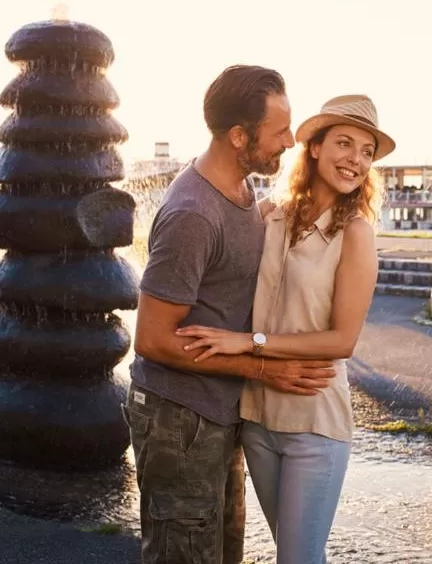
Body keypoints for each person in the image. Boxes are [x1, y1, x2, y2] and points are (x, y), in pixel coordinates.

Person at [125, 65, 338, 564]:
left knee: (222, 555)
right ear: (239, 136)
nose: (289, 141)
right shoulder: (193, 216)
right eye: (279, 131)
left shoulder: (243, 193)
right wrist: (262, 368)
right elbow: (153, 339)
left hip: (217, 413)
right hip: (178, 418)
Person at [177, 93, 395, 564]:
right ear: (314, 147)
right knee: (295, 555)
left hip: (314, 426)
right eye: (345, 144)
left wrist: (248, 343)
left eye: (366, 152)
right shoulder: (268, 215)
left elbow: (342, 340)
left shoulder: (355, 233)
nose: (356, 160)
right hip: (257, 420)